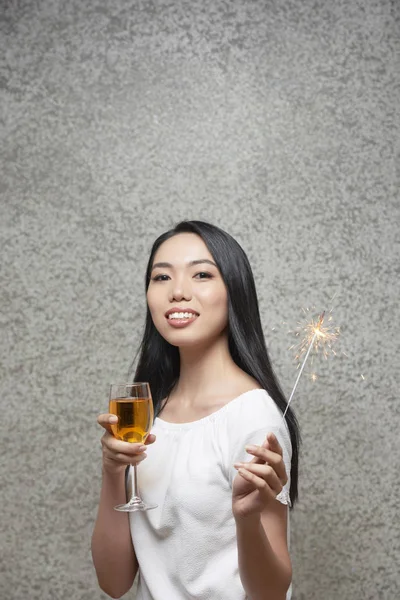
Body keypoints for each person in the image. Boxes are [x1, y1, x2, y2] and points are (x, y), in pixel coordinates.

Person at [92, 220, 300, 600]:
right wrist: (112, 471)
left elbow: (271, 592)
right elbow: (113, 582)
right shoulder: (146, 412)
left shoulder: (254, 418)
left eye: (202, 274)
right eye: (161, 278)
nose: (178, 292)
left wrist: (246, 519)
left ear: (234, 291)